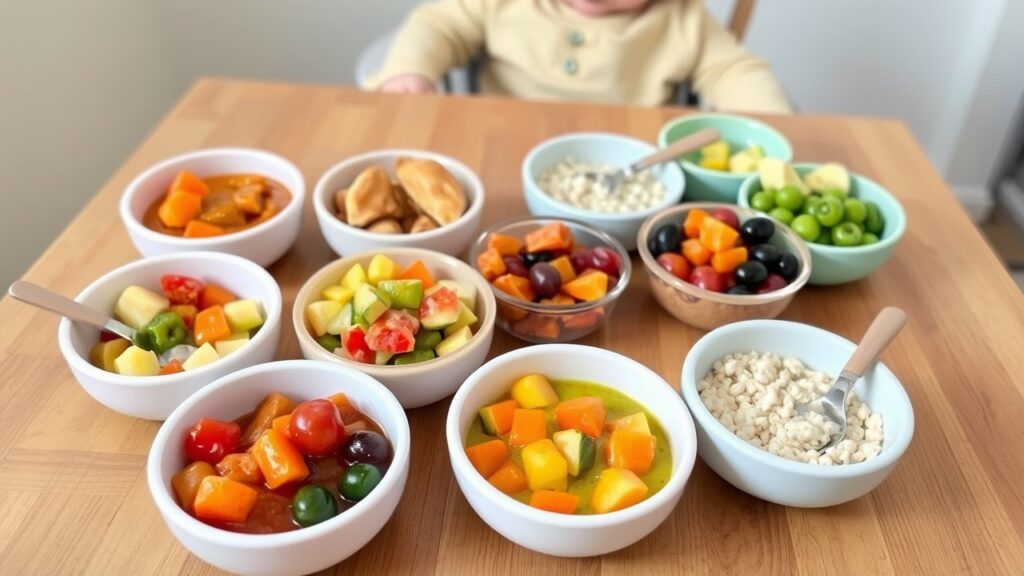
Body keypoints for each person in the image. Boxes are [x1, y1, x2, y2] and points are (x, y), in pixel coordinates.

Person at [369, 0, 792, 114]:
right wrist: (409, 72)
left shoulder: (681, 16)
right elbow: (440, 25)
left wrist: (768, 119)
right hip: (500, 147)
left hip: (630, 168)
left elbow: (730, 68)